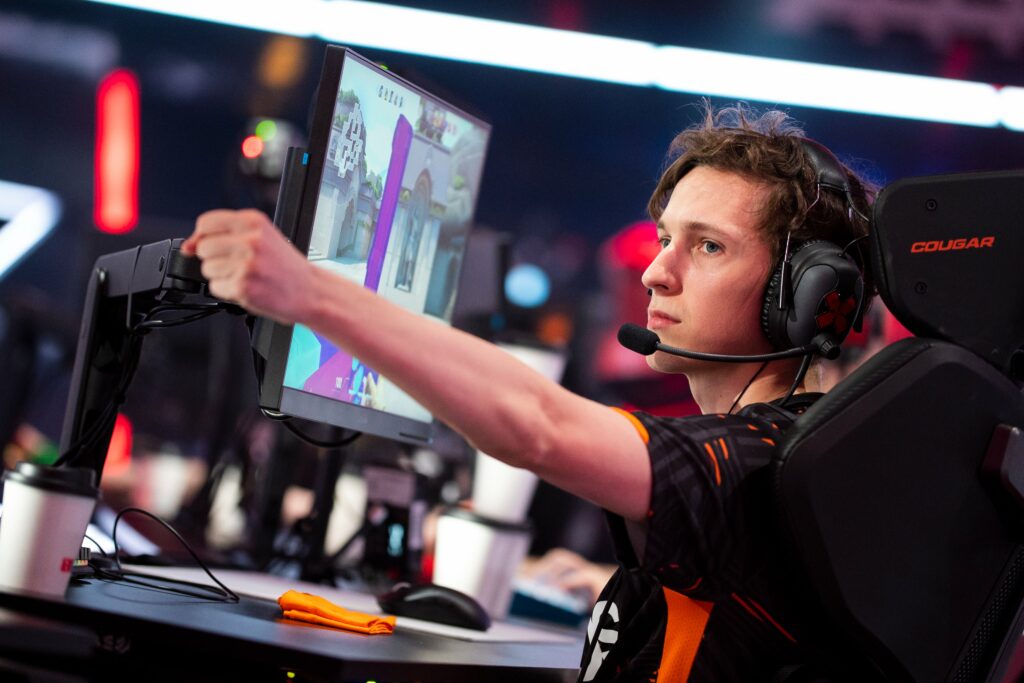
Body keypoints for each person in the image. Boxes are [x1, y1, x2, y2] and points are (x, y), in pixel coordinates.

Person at [182, 104, 875, 681]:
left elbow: (539, 425)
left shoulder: (765, 463)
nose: (656, 272)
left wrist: (311, 291)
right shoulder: (780, 458)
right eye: (666, 238)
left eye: (708, 246)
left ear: (805, 296)